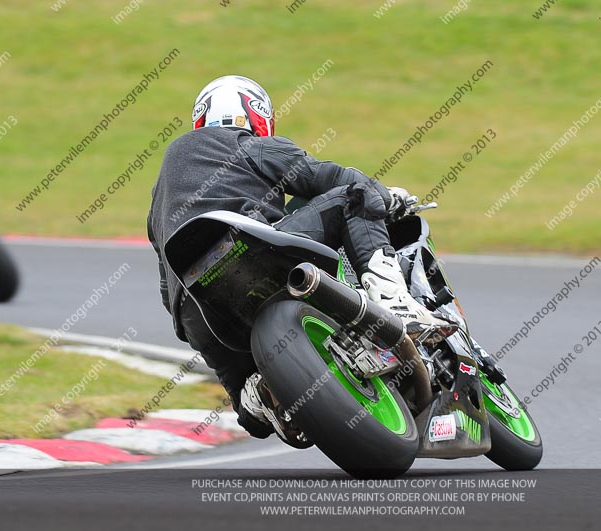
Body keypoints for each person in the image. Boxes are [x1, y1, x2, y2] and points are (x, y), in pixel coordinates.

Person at [147, 75, 454, 441]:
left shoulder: (158, 197)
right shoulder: (244, 144)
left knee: (250, 418)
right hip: (253, 255)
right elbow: (326, 176)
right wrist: (382, 197)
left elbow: (167, 290)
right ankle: (395, 304)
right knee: (353, 197)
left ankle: (261, 395)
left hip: (196, 309)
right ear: (257, 116)